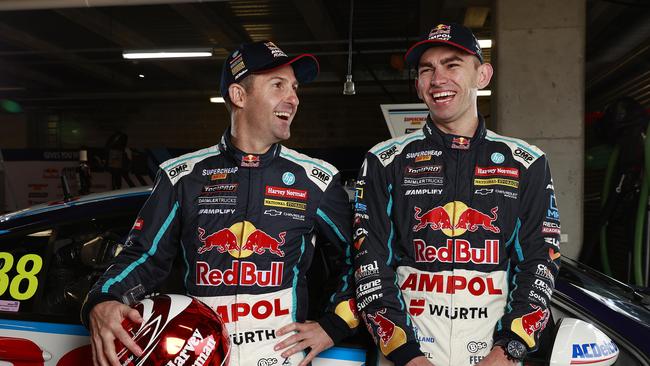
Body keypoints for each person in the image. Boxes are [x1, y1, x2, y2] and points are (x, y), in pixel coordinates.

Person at [81, 40, 359, 366]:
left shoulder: (317, 179)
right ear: (239, 96)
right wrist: (103, 299)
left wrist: (334, 326)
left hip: (283, 360)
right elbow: (145, 257)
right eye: (278, 85)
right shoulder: (182, 177)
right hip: (199, 356)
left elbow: (359, 261)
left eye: (295, 88)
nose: (293, 99)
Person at [352, 23, 561, 366]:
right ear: (419, 84)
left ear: (482, 75)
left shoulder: (526, 162)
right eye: (427, 70)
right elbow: (370, 263)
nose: (438, 79)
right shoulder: (384, 160)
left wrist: (508, 350)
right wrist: (407, 356)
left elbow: (541, 261)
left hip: (495, 356)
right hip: (406, 357)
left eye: (452, 65)